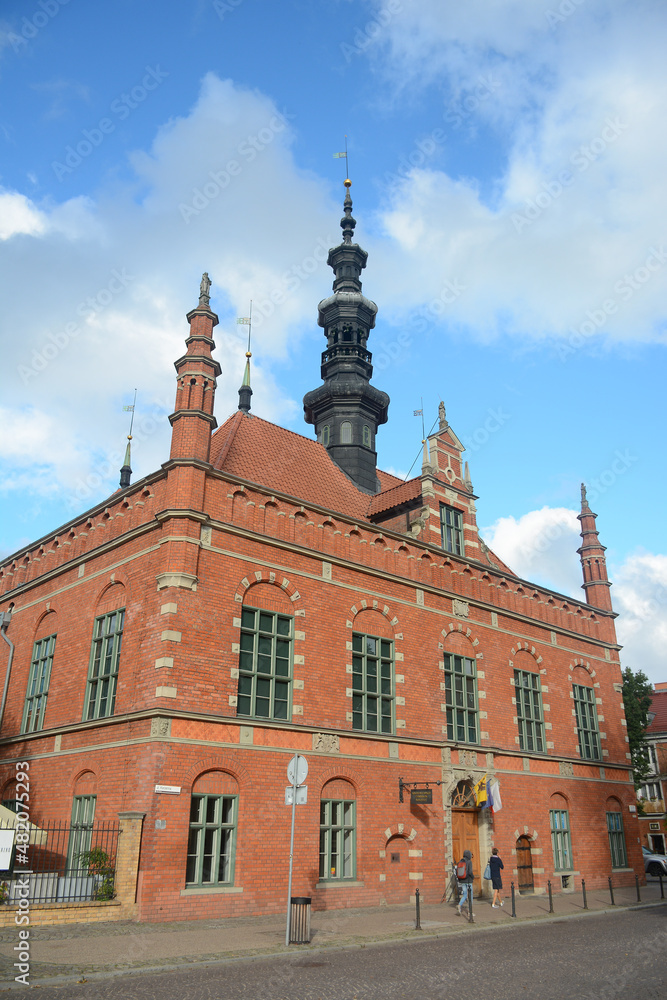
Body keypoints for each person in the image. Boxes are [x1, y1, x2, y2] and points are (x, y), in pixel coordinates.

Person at [456, 849, 474, 915]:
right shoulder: (469, 862)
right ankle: (470, 911)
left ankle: (459, 905)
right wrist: (473, 877)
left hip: (462, 880)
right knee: (470, 895)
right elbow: (470, 872)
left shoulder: (460, 861)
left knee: (465, 895)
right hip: (468, 880)